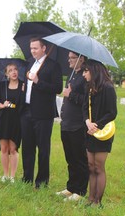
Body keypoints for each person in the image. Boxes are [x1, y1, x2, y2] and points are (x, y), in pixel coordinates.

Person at [20, 38, 63, 188]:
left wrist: (38, 81)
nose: (32, 51)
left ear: (44, 48)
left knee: (43, 149)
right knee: (27, 147)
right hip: (26, 111)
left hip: (43, 114)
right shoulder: (30, 64)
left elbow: (58, 88)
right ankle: (27, 178)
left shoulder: (53, 66)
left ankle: (42, 182)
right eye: (31, 48)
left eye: (36, 48)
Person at [82, 59, 117, 208]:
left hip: (103, 132)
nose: (83, 74)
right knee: (90, 165)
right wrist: (87, 122)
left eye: (86, 71)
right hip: (90, 130)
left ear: (94, 71)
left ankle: (97, 201)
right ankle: (90, 199)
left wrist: (97, 125)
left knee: (98, 166)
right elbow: (84, 107)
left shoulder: (108, 88)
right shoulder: (89, 88)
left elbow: (112, 112)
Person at [56, 51, 89, 201]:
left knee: (79, 158)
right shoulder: (71, 74)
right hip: (66, 123)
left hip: (78, 124)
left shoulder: (86, 76)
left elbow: (87, 100)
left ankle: (80, 191)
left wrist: (70, 95)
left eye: (72, 58)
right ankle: (71, 187)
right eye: (68, 57)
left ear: (81, 59)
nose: (68, 60)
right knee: (70, 158)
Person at [0, 63, 24, 183]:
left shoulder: (23, 85)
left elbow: (23, 104)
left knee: (13, 149)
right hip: (3, 119)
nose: (14, 72)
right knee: (4, 148)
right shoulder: (2, 85)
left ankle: (12, 176)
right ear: (6, 74)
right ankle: (5, 175)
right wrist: (1, 105)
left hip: (16, 120)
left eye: (15, 69)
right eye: (10, 70)